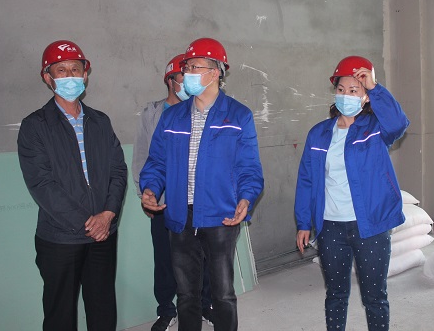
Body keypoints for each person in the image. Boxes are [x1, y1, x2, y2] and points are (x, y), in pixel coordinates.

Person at [140, 37, 264, 331]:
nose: (188, 73)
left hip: (220, 216)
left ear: (216, 72)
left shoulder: (238, 115)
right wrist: (150, 188)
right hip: (180, 216)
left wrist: (246, 198)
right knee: (186, 296)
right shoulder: (172, 117)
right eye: (187, 67)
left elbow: (249, 168)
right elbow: (157, 161)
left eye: (195, 67)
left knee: (222, 295)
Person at [17, 40, 127, 331]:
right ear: (48, 78)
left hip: (104, 235)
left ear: (85, 74)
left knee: (103, 309)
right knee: (60, 315)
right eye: (61, 70)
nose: (70, 76)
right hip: (60, 238)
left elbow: (118, 170)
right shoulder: (35, 126)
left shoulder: (100, 122)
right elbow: (42, 184)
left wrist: (108, 214)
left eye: (75, 69)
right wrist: (89, 223)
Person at [294, 55, 409, 331]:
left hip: (370, 226)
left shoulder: (376, 129)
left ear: (365, 97)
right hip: (330, 227)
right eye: (341, 89)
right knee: (335, 295)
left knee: (375, 297)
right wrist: (303, 223)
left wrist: (375, 88)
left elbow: (398, 123)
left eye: (354, 90)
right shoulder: (319, 134)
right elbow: (307, 180)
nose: (346, 95)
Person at [132, 53, 213, 331]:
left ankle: (204, 305)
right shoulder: (153, 114)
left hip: (199, 203)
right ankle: (167, 310)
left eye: (193, 73)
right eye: (184, 75)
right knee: (166, 260)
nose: (190, 80)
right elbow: (143, 157)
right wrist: (147, 193)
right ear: (170, 80)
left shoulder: (204, 111)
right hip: (165, 204)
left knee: (204, 258)